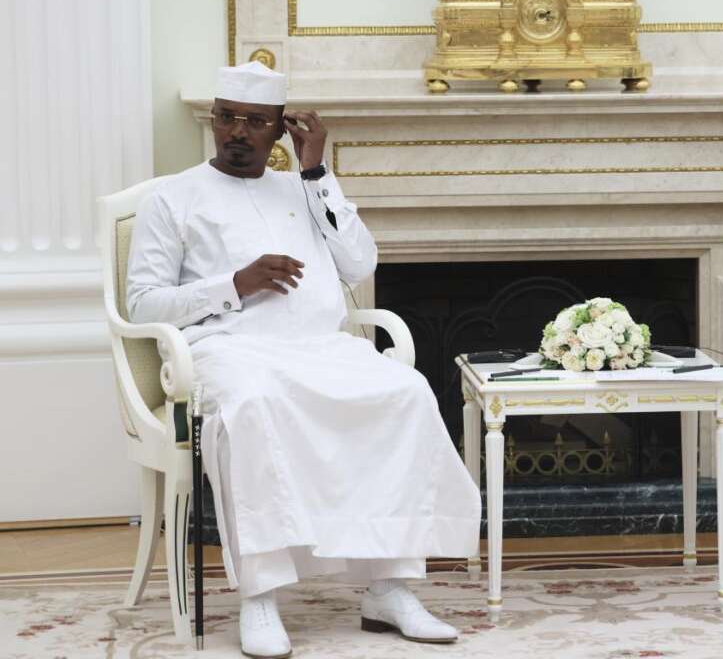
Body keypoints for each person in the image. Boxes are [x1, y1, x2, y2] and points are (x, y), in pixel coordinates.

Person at [127, 61, 480, 657]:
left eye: (255, 121)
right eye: (228, 117)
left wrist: (316, 171)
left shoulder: (304, 188)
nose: (239, 131)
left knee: (406, 392)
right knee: (255, 405)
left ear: (279, 129)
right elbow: (141, 304)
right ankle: (260, 597)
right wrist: (233, 284)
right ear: (213, 120)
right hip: (229, 350)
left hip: (323, 348)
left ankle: (388, 589)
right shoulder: (172, 197)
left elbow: (359, 264)